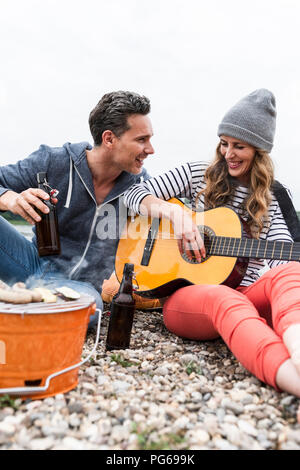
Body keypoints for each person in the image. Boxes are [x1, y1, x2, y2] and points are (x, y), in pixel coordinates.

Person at [123, 88, 300, 401]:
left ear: (259, 150)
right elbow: (132, 197)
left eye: (239, 146)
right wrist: (176, 215)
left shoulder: (272, 198)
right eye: (224, 143)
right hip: (186, 298)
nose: (228, 153)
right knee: (223, 298)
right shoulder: (195, 174)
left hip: (245, 293)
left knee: (290, 275)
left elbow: (285, 259)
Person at [0, 91, 154, 328]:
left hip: (80, 287)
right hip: (28, 263)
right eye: (141, 140)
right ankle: (30, 304)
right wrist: (9, 198)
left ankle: (22, 307)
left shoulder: (141, 189)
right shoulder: (53, 161)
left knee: (91, 309)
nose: (150, 149)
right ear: (109, 139)